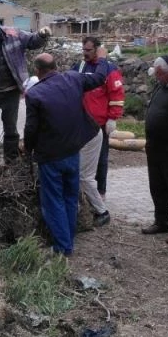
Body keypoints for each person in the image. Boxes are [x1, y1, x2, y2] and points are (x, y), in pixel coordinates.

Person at [23, 53, 107, 256]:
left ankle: (63, 246)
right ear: (56, 66)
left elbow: (31, 128)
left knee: (54, 201)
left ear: (37, 71)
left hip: (50, 157)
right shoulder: (73, 78)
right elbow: (99, 78)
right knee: (70, 197)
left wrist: (27, 150)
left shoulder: (34, 94)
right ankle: (69, 237)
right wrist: (102, 60)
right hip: (73, 152)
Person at [0, 14, 51, 162]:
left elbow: (32, 41)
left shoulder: (14, 34)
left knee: (10, 128)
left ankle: (10, 161)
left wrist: (42, 35)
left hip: (11, 91)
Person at [74, 37, 125, 198]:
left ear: (97, 49)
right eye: (84, 50)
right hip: (81, 121)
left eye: (88, 50)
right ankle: (82, 192)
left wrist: (113, 118)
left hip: (99, 123)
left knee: (101, 159)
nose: (85, 53)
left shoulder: (109, 69)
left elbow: (116, 94)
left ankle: (100, 192)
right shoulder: (80, 66)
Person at [141, 55, 168, 235]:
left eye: (159, 74)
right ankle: (162, 221)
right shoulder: (160, 86)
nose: (156, 77)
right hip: (154, 148)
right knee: (157, 187)